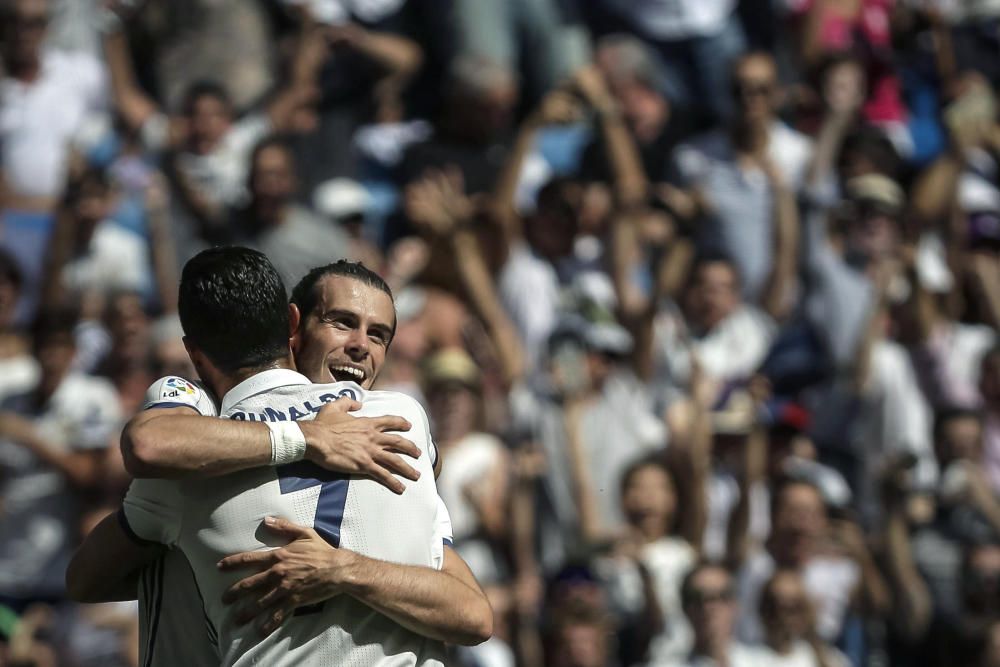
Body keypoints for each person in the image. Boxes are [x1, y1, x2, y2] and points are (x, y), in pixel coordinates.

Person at [67, 250, 493, 665]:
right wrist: (306, 436)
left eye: (378, 334)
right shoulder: (197, 423)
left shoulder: (394, 430)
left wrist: (342, 569)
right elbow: (150, 444)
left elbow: (473, 614)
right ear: (294, 327)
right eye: (341, 323)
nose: (361, 345)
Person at [671, 561, 766, 667]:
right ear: (684, 607)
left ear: (735, 605)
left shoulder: (764, 662)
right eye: (697, 598)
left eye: (721, 596)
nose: (709, 607)